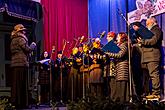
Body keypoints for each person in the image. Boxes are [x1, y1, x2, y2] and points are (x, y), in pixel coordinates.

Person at [132, 17, 162, 100]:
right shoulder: (148, 32)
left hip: (153, 57)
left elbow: (154, 41)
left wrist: (142, 41)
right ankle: (148, 92)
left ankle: (156, 93)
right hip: (146, 57)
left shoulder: (156, 30)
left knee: (154, 75)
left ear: (152, 22)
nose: (146, 25)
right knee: (147, 77)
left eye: (147, 24)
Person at [10, 24, 36, 109]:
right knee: (22, 84)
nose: (25, 32)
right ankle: (22, 104)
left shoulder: (13, 39)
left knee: (16, 84)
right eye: (23, 30)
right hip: (21, 63)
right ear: (20, 32)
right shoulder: (21, 38)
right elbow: (27, 49)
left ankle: (15, 103)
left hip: (15, 64)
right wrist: (33, 45)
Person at [106, 32, 129, 102]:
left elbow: (120, 55)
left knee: (122, 88)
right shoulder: (120, 45)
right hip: (119, 68)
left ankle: (123, 102)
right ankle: (120, 102)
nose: (117, 38)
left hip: (123, 68)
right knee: (119, 87)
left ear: (122, 38)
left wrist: (108, 54)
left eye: (118, 37)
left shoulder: (124, 45)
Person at [103, 32, 117, 99]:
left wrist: (106, 53)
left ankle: (113, 98)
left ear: (112, 37)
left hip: (112, 67)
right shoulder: (108, 45)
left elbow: (115, 55)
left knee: (112, 83)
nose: (106, 38)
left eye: (108, 36)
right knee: (108, 84)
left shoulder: (114, 44)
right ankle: (109, 97)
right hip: (107, 67)